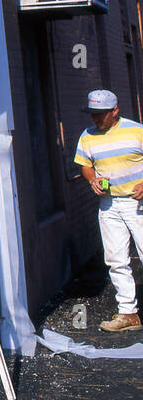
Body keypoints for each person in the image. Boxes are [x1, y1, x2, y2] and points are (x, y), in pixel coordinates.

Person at [73, 89, 143, 332]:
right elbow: (85, 165)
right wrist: (92, 179)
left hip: (138, 203)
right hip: (109, 205)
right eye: (92, 114)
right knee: (116, 260)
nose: (95, 119)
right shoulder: (88, 135)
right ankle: (128, 313)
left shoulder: (136, 131)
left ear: (115, 111)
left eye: (100, 114)